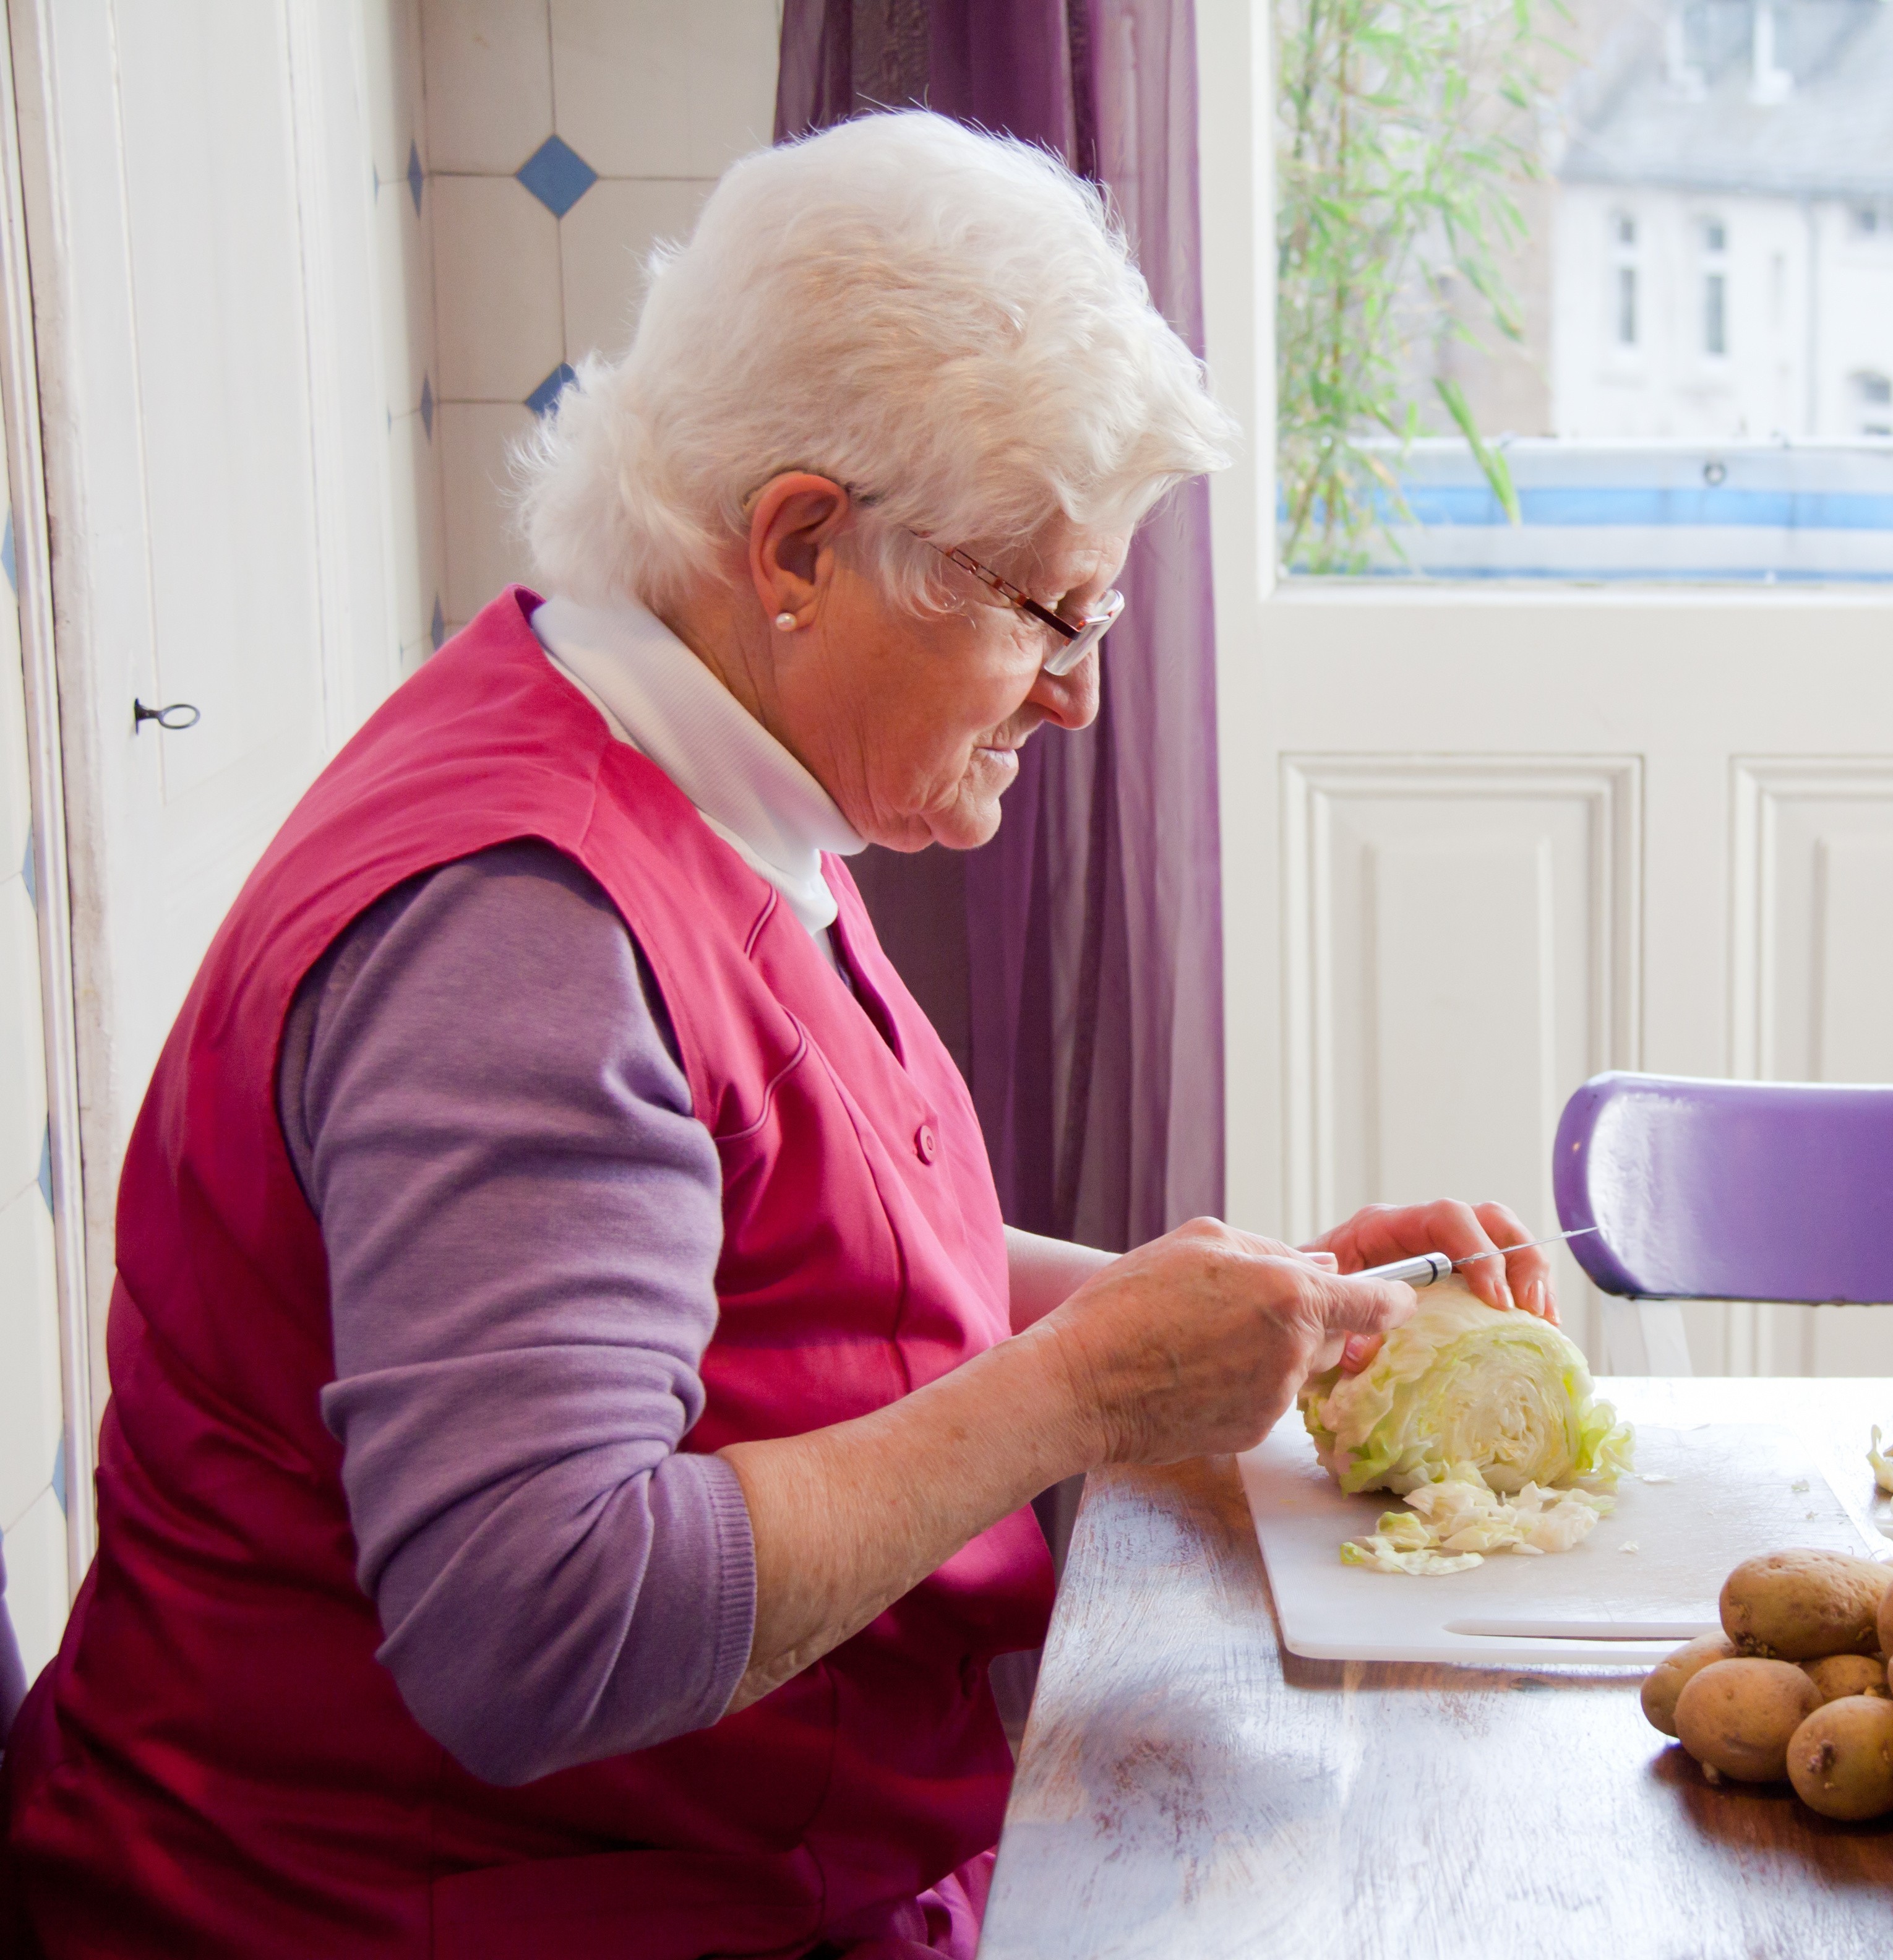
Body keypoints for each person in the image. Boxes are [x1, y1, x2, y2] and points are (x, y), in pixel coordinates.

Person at [0, 111, 1560, 1959]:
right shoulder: (521, 941)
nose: (1076, 693)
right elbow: (535, 1631)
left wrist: (1240, 1306)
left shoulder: (679, 756)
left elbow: (768, 1259)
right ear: (802, 545)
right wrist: (1077, 1396)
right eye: (1051, 609)